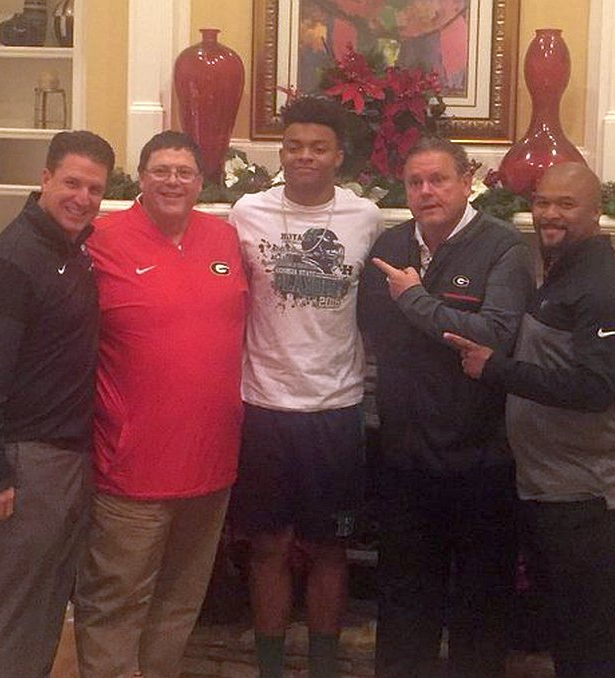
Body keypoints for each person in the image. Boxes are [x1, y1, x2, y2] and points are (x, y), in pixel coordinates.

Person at [445, 162, 615, 678]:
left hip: (590, 497)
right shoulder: (561, 272)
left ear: (596, 211)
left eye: (566, 204)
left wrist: (495, 369)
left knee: (592, 642)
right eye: (542, 202)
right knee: (567, 634)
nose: (550, 214)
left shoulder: (606, 287)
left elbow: (594, 389)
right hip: (551, 490)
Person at [358, 136, 535, 678]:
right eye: (415, 182)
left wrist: (416, 302)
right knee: (403, 598)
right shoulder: (389, 245)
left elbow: (497, 335)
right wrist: (446, 330)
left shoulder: (502, 246)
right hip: (405, 455)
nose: (426, 191)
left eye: (438, 180)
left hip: (480, 458)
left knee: (481, 604)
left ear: (466, 181)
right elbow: (375, 331)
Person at [73, 130, 248, 678]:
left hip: (212, 464)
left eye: (184, 172)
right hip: (129, 471)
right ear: (141, 178)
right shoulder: (97, 239)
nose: (173, 181)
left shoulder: (225, 239)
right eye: (160, 170)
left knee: (179, 606)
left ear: (201, 182)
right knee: (114, 605)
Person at [228, 96, 384, 678]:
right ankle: (271, 667)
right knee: (267, 547)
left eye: (318, 147)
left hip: (335, 409)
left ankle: (323, 666)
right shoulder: (247, 212)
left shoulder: (366, 218)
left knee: (329, 548)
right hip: (263, 404)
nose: (304, 156)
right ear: (281, 152)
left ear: (339, 155)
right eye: (293, 146)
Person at [0, 130, 115, 678]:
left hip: (69, 456)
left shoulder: (71, 251)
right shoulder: (11, 262)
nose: (82, 197)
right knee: (18, 609)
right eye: (72, 182)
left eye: (94, 188)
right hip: (25, 465)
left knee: (48, 602)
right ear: (45, 179)